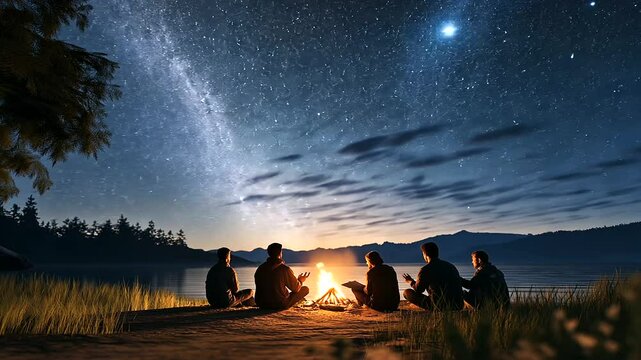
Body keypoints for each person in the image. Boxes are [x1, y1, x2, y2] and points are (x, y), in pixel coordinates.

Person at [402, 242, 464, 311]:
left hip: (440, 306)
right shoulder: (451, 266)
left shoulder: (426, 269)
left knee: (407, 292)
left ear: (425, 254)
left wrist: (410, 281)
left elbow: (419, 289)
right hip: (458, 305)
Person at [254, 242, 310, 310]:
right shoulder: (284, 269)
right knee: (305, 289)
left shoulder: (260, 268)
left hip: (262, 304)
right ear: (280, 253)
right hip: (279, 304)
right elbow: (296, 288)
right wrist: (300, 280)